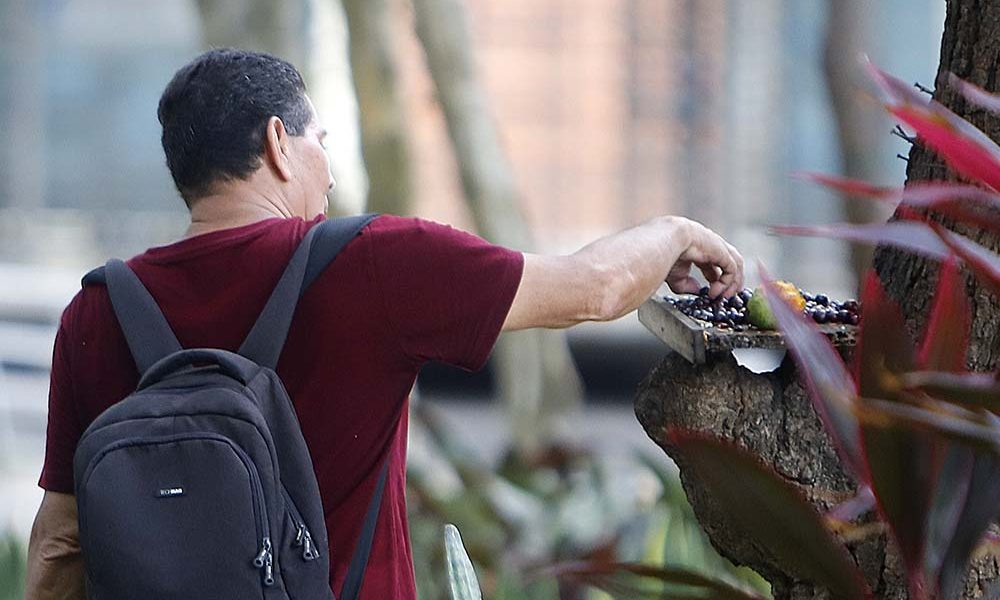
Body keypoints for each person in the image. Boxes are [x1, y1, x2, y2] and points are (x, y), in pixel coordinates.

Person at [25, 48, 744, 599]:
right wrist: (674, 232)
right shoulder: (373, 264)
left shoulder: (98, 311)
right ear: (279, 143)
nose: (329, 173)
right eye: (321, 141)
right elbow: (592, 288)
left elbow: (60, 544)